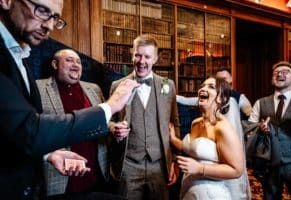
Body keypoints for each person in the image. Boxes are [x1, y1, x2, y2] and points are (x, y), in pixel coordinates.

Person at [0, 0, 138, 199]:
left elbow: (13, 132)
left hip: (94, 172)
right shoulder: (38, 83)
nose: (48, 25)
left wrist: (49, 154)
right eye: (41, 10)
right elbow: (30, 128)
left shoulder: (21, 58)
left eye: (55, 17)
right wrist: (109, 106)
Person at [109, 34, 181, 200]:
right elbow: (108, 120)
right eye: (138, 55)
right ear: (132, 54)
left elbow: (174, 123)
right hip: (128, 165)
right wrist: (114, 128)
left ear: (155, 59)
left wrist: (174, 161)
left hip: (160, 165)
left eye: (147, 56)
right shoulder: (117, 86)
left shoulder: (167, 85)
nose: (142, 61)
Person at [36, 49, 112, 198]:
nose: (76, 65)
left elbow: (105, 121)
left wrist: (114, 127)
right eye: (69, 60)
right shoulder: (38, 88)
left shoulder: (94, 89)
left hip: (95, 173)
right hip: (59, 179)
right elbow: (31, 130)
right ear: (55, 64)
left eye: (78, 62)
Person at [169, 77, 244, 200]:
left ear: (221, 98)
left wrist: (200, 168)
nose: (203, 88)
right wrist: (172, 138)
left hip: (211, 193)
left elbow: (236, 170)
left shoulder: (223, 128)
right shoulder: (196, 123)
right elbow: (191, 148)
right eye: (203, 86)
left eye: (211, 87)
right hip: (189, 189)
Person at [248, 61, 291, 200]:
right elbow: (249, 128)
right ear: (272, 79)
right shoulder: (261, 102)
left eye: (285, 72)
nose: (279, 74)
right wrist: (260, 128)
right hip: (269, 162)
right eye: (276, 73)